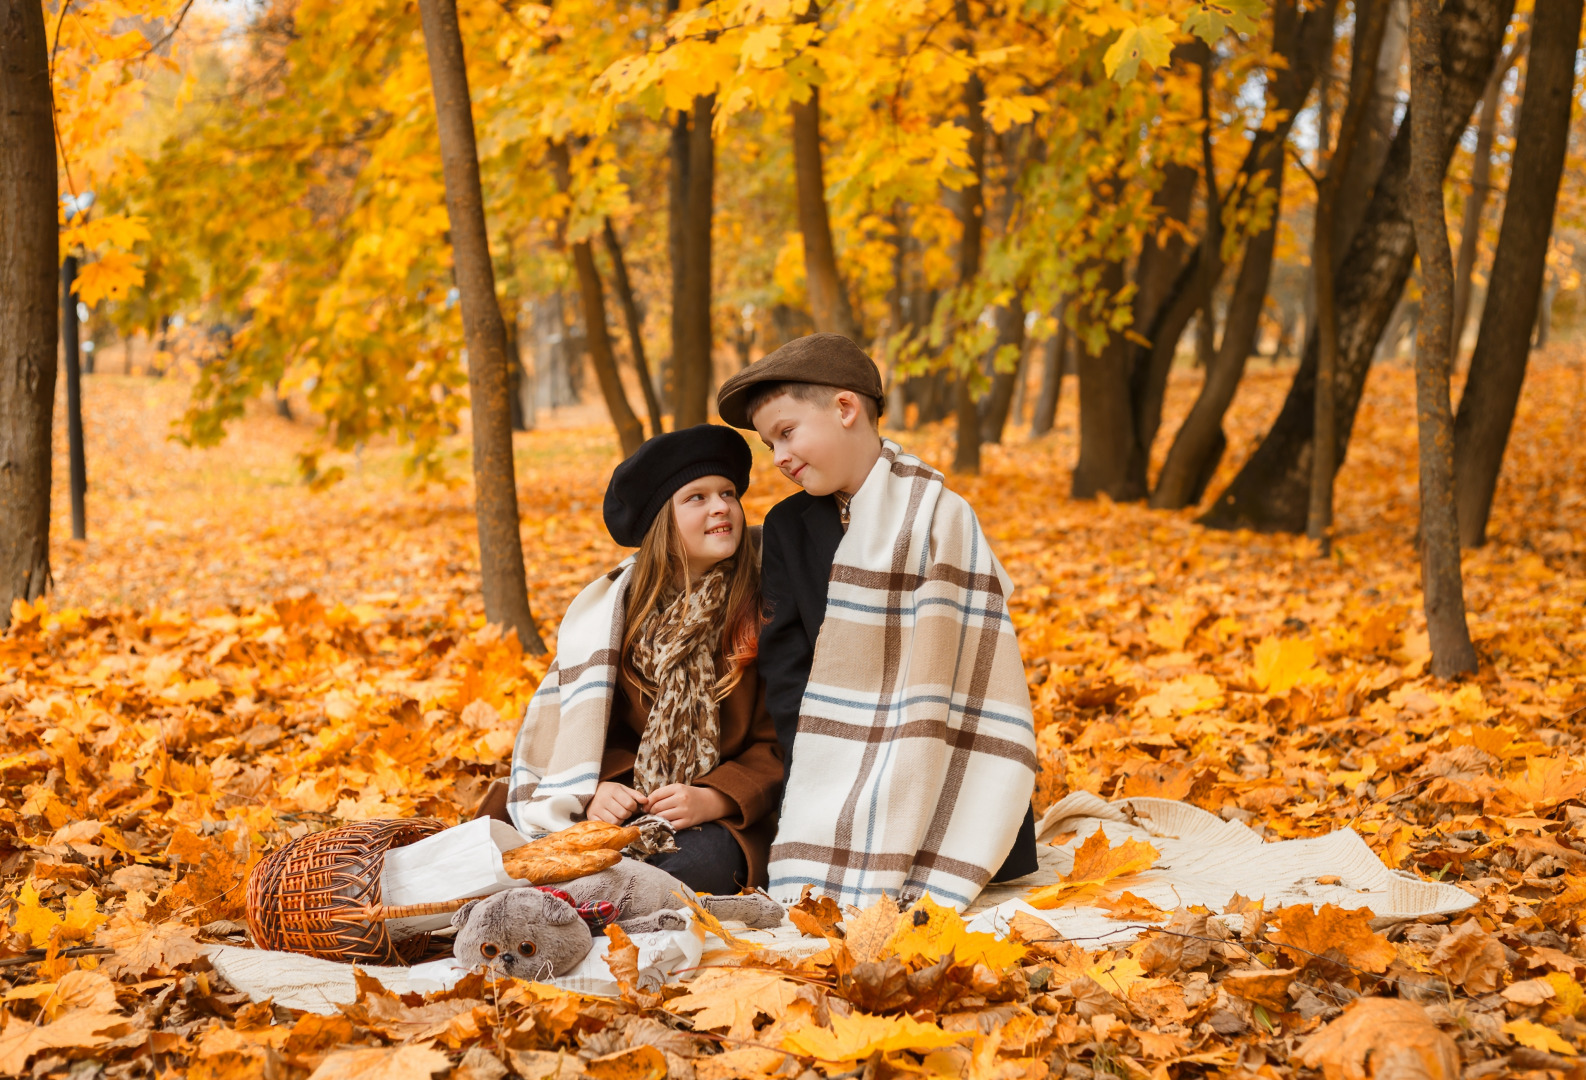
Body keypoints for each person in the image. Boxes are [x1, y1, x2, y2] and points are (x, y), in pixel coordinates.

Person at [716, 333, 1038, 910]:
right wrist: (812, 767)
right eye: (769, 445)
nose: (780, 457)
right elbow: (787, 664)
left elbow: (977, 652)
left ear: (845, 409)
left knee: (964, 843)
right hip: (833, 744)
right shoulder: (789, 526)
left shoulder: (941, 514)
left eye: (787, 433)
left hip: (934, 730)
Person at [486, 425, 784, 893]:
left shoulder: (766, 603)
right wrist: (602, 787)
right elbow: (589, 731)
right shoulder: (617, 617)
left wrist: (714, 799)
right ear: (662, 523)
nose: (722, 506)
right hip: (639, 804)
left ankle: (566, 903)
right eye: (697, 498)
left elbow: (784, 738)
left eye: (727, 492)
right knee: (499, 835)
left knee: (694, 865)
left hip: (726, 820)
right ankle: (536, 896)